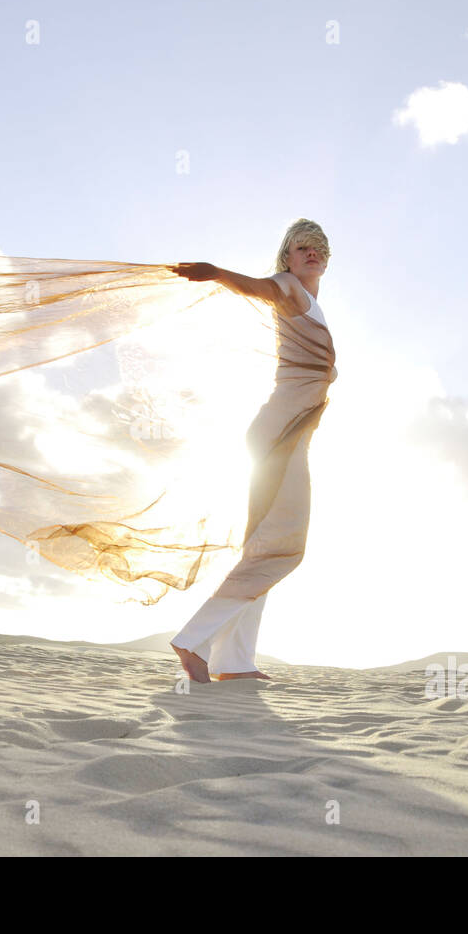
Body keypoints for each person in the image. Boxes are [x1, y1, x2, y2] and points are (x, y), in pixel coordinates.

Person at [168, 218, 338, 683]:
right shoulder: (286, 286)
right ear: (287, 258)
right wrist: (219, 273)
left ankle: (234, 661)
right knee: (282, 547)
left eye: (318, 249)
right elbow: (260, 287)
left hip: (285, 433)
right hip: (278, 434)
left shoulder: (312, 302)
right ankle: (193, 640)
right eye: (301, 248)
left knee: (266, 547)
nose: (311, 254)